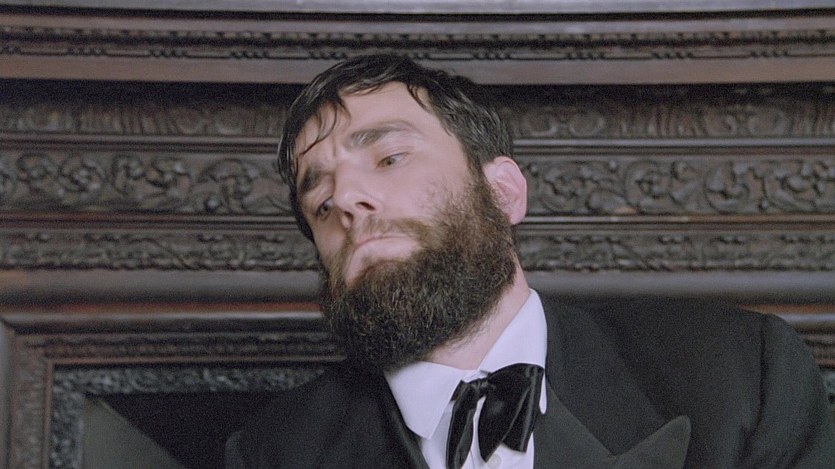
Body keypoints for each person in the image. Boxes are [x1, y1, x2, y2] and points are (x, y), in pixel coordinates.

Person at [226, 54, 835, 468]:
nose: (345, 201)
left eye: (389, 158)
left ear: (503, 192)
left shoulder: (741, 375)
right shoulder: (270, 453)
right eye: (320, 199)